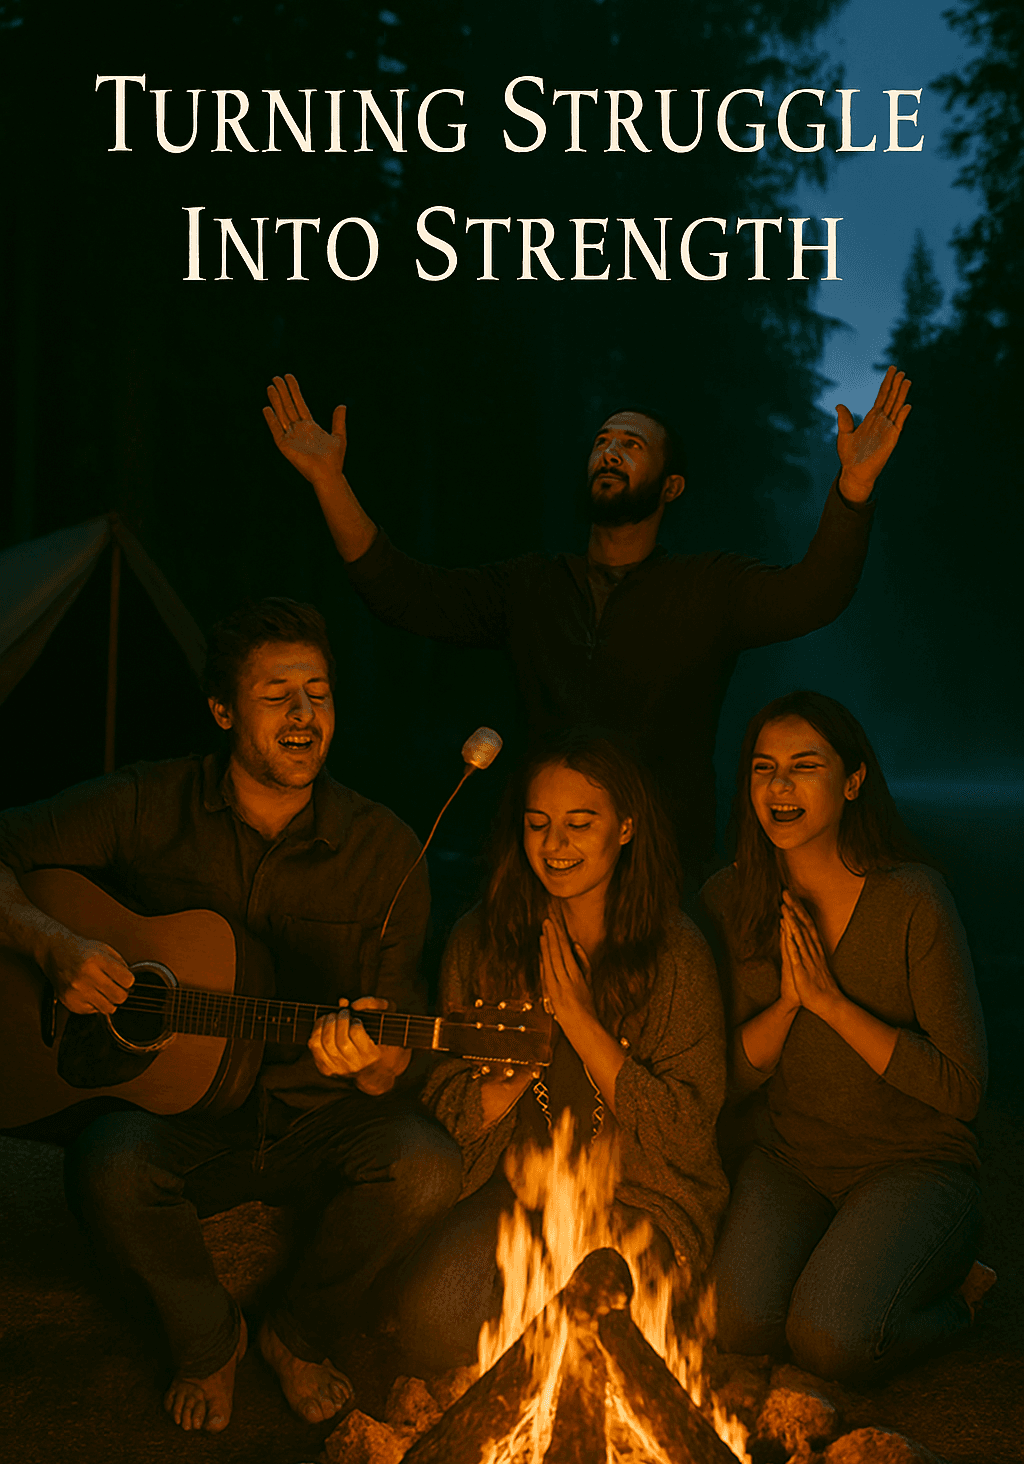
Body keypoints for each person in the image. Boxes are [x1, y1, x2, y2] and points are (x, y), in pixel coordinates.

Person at [0, 597, 462, 1433]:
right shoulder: (149, 800)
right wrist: (50, 943)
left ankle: (296, 1334)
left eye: (319, 692)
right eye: (276, 692)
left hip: (311, 1121)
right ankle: (210, 1342)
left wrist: (368, 1061)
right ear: (221, 711)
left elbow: (399, 1052)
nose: (303, 714)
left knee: (426, 1166)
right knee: (106, 1167)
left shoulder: (389, 850)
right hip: (179, 1123)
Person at [263, 369, 912, 875]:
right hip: (542, 861)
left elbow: (813, 596)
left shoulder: (709, 588)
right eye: (603, 441)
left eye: (632, 445)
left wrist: (852, 492)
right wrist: (328, 480)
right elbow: (402, 594)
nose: (610, 452)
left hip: (665, 869)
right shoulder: (530, 586)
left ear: (671, 486)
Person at [394, 730, 730, 1371]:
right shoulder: (480, 941)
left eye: (580, 824)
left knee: (609, 1337)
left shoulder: (676, 953)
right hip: (512, 1190)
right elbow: (440, 1099)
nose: (555, 846)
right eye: (538, 824)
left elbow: (687, 1133)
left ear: (625, 829)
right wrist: (509, 1078)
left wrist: (578, 1018)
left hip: (638, 1197)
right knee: (432, 1323)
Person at [701, 690, 994, 1384]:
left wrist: (832, 1005)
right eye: (763, 767)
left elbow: (963, 1089)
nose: (779, 787)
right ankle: (842, 1262)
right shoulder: (727, 900)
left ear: (853, 781)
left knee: (829, 1341)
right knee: (736, 1324)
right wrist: (788, 1007)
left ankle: (959, 1299)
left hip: (912, 1163)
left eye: (804, 766)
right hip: (793, 1160)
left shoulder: (912, 899)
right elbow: (723, 1080)